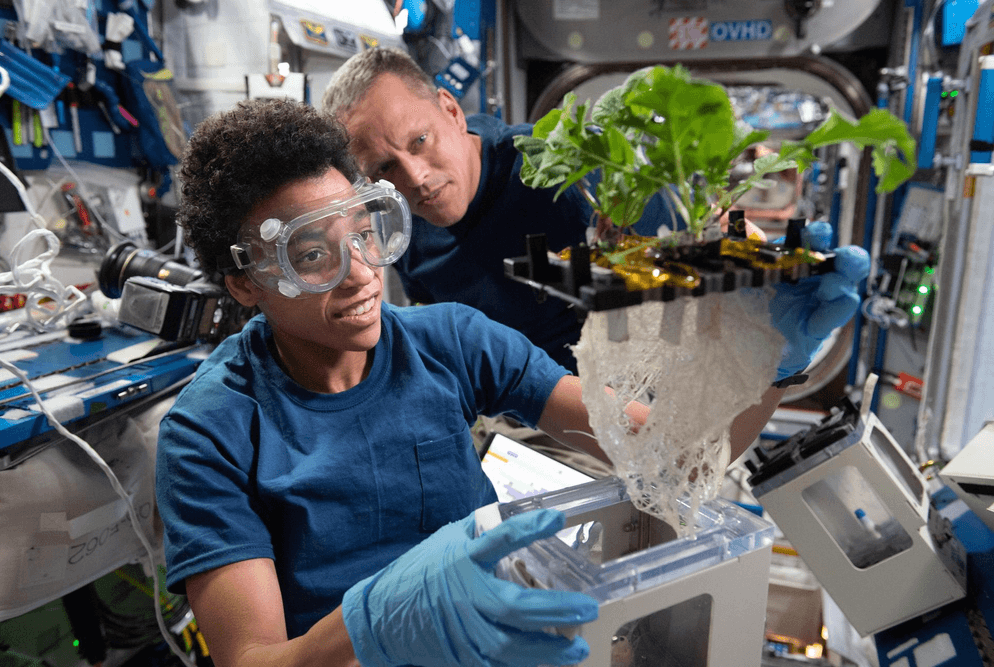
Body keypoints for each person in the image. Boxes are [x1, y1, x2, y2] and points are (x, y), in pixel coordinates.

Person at [153, 97, 836, 667]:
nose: (361, 272)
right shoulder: (209, 428)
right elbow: (252, 660)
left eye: (364, 234)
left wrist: (769, 366)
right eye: (311, 255)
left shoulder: (450, 341)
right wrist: (375, 621)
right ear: (244, 281)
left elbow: (669, 458)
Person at [321, 47, 679, 374]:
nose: (416, 178)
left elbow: (681, 295)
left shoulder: (565, 174)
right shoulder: (396, 227)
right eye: (385, 168)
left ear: (451, 110)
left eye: (420, 141)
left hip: (624, 393)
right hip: (509, 416)